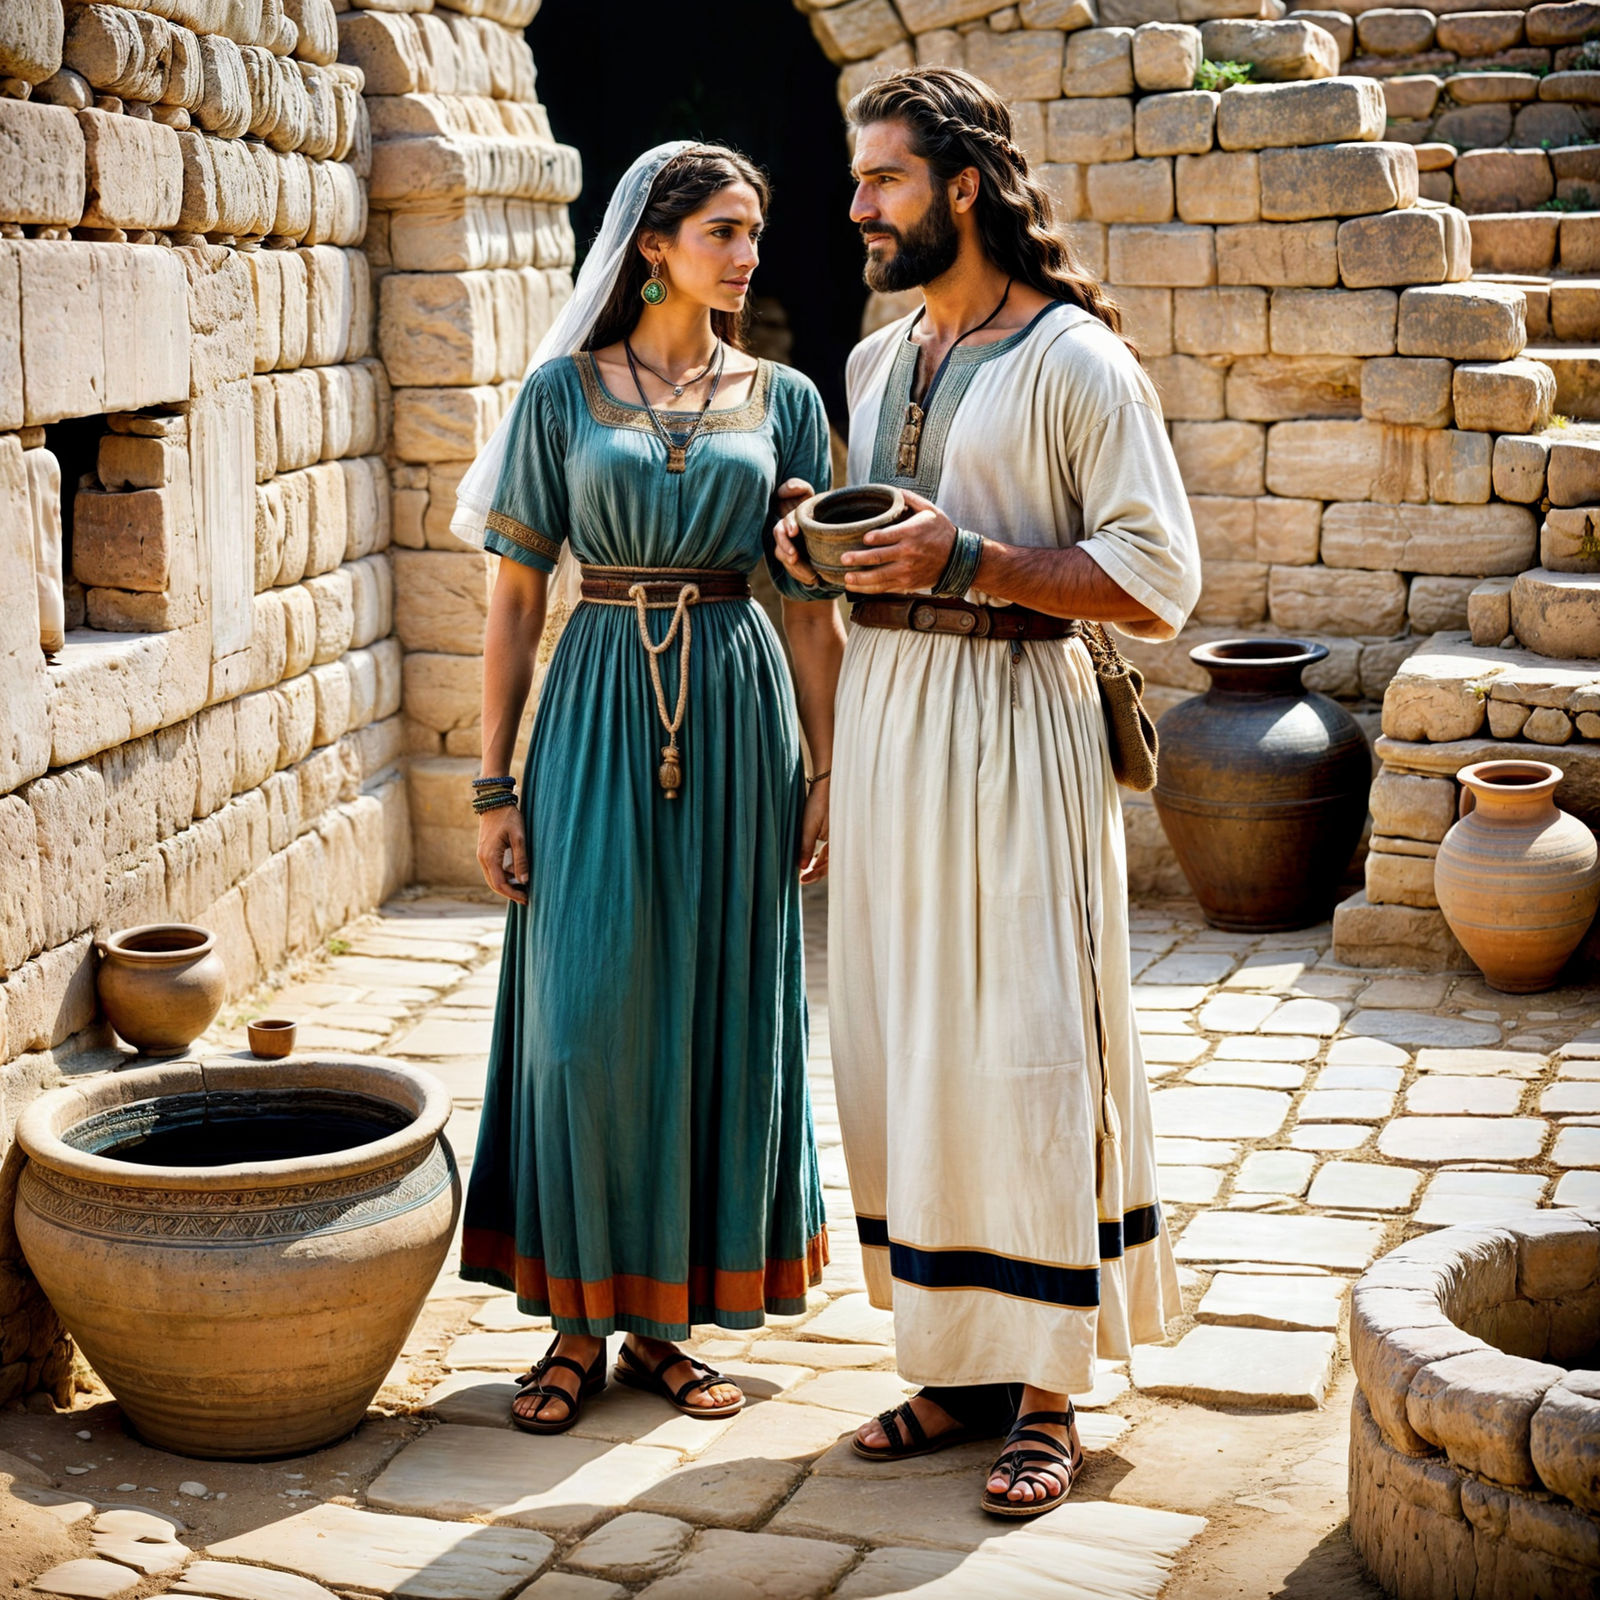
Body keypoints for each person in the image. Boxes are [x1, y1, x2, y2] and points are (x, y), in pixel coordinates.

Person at [773, 67, 1200, 1517]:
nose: (856, 206)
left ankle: (1047, 1391)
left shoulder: (1078, 361)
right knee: (908, 1038)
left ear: (963, 186)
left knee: (1025, 1043)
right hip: (894, 717)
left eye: (882, 178)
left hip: (1020, 721)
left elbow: (1156, 581)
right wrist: (811, 547)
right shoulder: (875, 362)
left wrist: (977, 560)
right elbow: (873, 549)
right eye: (856, 179)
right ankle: (955, 1365)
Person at [453, 142, 847, 1433]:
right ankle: (575, 1320)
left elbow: (808, 609)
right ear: (654, 246)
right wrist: (495, 782)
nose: (747, 254)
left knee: (714, 1006)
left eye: (754, 231)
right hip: (596, 703)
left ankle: (664, 1322)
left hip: (737, 711)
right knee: (584, 1017)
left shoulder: (786, 399)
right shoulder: (561, 395)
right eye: (723, 230)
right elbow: (517, 597)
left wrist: (828, 770)